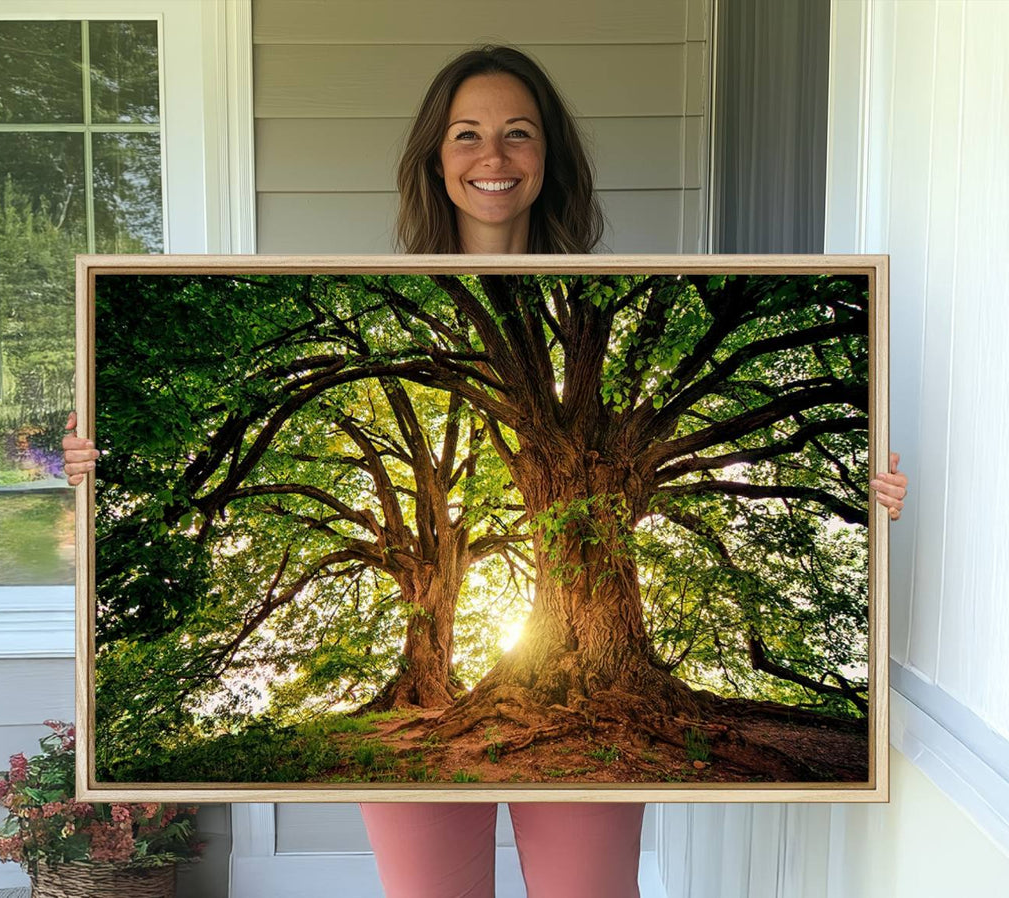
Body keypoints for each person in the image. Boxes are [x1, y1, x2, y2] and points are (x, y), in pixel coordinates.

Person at [63, 45, 909, 898]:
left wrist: (864, 496)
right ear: (436, 157)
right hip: (432, 727)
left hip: (592, 707)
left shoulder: (609, 297)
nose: (493, 157)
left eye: (518, 134)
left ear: (550, 158)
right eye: (467, 135)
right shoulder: (378, 301)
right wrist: (100, 470)